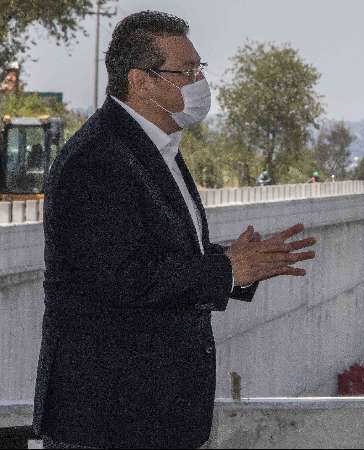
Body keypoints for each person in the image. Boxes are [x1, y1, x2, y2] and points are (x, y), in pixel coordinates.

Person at [32, 11, 317, 449]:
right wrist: (226, 271)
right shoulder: (97, 160)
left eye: (199, 68)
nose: (199, 80)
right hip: (111, 420)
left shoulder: (155, 148)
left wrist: (234, 263)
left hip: (158, 420)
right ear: (142, 82)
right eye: (186, 70)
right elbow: (122, 278)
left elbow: (156, 256)